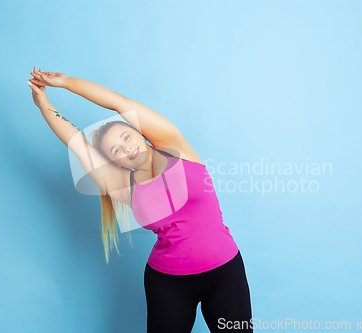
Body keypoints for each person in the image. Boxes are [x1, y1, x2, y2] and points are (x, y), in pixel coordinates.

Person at [27, 67, 253, 333]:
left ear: (139, 132)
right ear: (113, 162)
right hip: (168, 281)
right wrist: (44, 106)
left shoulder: (175, 146)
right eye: (116, 151)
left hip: (225, 272)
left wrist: (65, 83)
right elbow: (77, 143)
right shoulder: (123, 185)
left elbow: (118, 102)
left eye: (126, 137)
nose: (127, 148)